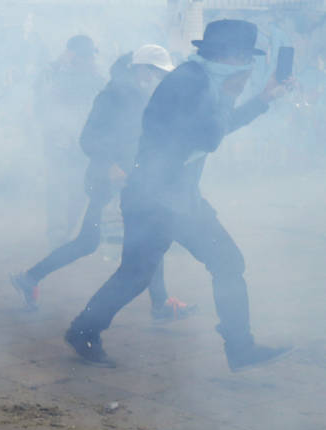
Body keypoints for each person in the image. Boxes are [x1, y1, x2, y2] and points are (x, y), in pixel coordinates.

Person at [65, 20, 292, 372]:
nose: (249, 66)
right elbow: (210, 137)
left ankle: (240, 345)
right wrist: (234, 94)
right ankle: (83, 330)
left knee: (219, 263)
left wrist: (261, 99)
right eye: (245, 58)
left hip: (173, 197)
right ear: (229, 56)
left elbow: (217, 127)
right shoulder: (190, 83)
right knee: (138, 275)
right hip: (156, 199)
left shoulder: (204, 80)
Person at [12, 45, 195, 321]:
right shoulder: (111, 96)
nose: (158, 78)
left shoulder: (141, 94)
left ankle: (160, 303)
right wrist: (111, 165)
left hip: (132, 180)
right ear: (141, 68)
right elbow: (88, 139)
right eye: (155, 71)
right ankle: (30, 278)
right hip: (106, 180)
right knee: (93, 241)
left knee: (147, 238)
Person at [35, 34, 104, 246]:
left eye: (91, 56)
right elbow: (39, 94)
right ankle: (56, 233)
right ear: (74, 57)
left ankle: (68, 230)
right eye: (87, 56)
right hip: (59, 141)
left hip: (85, 143)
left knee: (80, 188)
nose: (91, 60)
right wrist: (57, 65)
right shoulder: (55, 76)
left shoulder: (95, 78)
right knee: (57, 186)